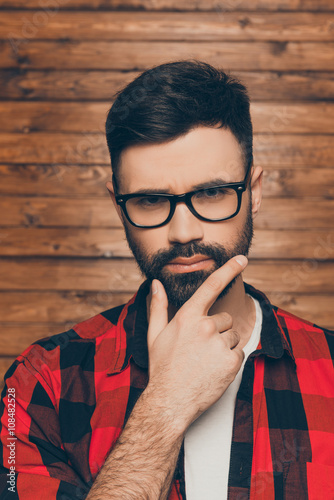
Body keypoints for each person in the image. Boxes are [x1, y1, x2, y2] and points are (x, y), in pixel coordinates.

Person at [0, 60, 333, 500]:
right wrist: (167, 403)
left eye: (212, 193)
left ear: (255, 193)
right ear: (119, 208)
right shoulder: (37, 383)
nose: (183, 232)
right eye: (151, 200)